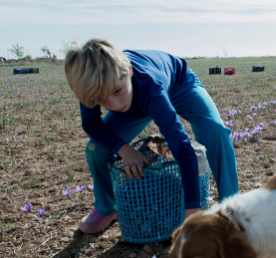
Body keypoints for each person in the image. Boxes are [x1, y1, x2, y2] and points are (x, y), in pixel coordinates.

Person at [64, 38, 239, 233]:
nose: (114, 104)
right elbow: (91, 123)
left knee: (215, 131)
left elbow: (181, 146)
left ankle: (230, 206)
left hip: (179, 84)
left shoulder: (149, 85)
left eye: (116, 91)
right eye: (101, 100)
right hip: (137, 100)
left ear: (128, 72)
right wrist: (124, 150)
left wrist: (192, 209)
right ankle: (106, 209)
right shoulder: (90, 84)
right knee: (96, 149)